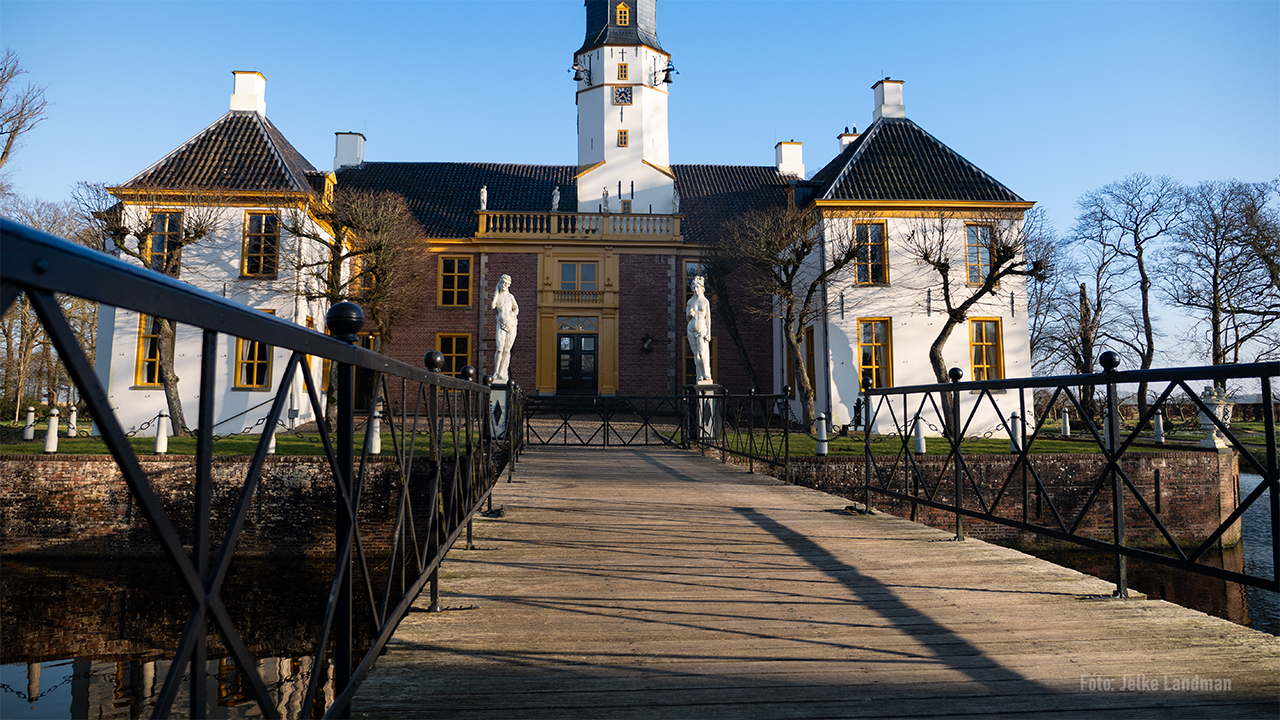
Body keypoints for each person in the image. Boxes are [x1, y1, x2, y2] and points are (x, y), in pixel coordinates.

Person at [491, 274, 518, 382]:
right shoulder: (498, 296)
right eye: (504, 283)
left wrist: (512, 316)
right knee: (499, 348)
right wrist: (496, 293)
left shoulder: (510, 297)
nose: (505, 285)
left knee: (507, 350)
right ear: (500, 283)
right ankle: (496, 372)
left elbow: (516, 309)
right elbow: (493, 308)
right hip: (500, 324)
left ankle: (503, 373)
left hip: (511, 324)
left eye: (507, 284)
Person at [686, 275, 712, 383]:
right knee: (696, 354)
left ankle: (706, 373)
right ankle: (699, 375)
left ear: (701, 288)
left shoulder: (705, 302)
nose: (695, 290)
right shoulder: (690, 302)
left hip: (702, 330)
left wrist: (709, 333)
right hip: (691, 329)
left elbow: (708, 319)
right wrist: (690, 314)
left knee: (702, 353)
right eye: (693, 288)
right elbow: (687, 318)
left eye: (697, 287)